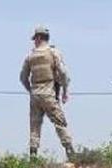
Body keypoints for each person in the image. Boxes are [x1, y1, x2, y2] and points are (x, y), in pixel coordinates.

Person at [20, 26, 75, 159]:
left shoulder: (30, 56)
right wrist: (65, 91)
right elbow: (63, 73)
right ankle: (70, 152)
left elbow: (22, 78)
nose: (34, 41)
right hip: (49, 92)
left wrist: (31, 90)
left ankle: (33, 156)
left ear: (38, 38)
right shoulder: (53, 53)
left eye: (35, 39)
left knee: (34, 126)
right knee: (59, 122)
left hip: (35, 94)